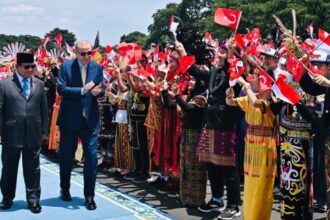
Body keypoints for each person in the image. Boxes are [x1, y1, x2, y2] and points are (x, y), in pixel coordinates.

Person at [56, 40, 104, 210]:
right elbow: (61, 89)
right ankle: (65, 188)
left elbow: (101, 88)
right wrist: (81, 91)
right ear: (75, 52)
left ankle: (89, 196)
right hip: (70, 119)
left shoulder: (97, 68)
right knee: (66, 156)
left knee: (91, 158)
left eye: (89, 53)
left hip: (90, 120)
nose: (86, 56)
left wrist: (99, 92)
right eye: (83, 53)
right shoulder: (66, 67)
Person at [0, 52, 48, 213]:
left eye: (32, 66)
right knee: (9, 168)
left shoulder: (39, 84)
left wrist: (45, 131)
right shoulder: (4, 84)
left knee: (33, 169)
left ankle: (33, 200)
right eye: (26, 67)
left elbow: (43, 109)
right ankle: (7, 198)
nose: (30, 69)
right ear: (17, 67)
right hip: (11, 133)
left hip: (34, 133)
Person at [299, 50, 330, 219]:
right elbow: (309, 87)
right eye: (315, 64)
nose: (317, 67)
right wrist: (304, 68)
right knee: (323, 168)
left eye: (320, 65)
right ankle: (324, 202)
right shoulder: (325, 79)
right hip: (325, 129)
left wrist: (328, 83)